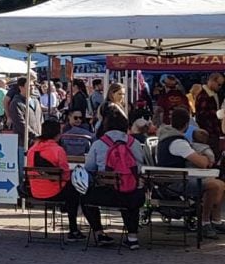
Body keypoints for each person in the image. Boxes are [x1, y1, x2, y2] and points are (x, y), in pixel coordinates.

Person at [157, 107, 225, 239]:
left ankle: (215, 220)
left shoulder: (168, 137)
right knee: (215, 185)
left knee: (220, 183)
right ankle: (205, 222)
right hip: (175, 182)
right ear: (187, 124)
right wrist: (205, 158)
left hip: (176, 178)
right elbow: (202, 163)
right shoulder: (177, 142)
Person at [83, 111, 146, 250]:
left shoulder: (98, 144)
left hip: (106, 194)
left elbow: (89, 168)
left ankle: (99, 233)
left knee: (85, 197)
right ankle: (132, 237)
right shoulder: (134, 143)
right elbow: (141, 166)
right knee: (130, 193)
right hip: (132, 195)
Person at [27, 119, 84, 240]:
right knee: (74, 191)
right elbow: (65, 175)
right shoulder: (58, 150)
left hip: (34, 192)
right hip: (54, 192)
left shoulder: (32, 150)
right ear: (58, 135)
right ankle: (73, 229)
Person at [193, 72, 224, 157]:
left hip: (213, 131)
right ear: (212, 81)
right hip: (208, 133)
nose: (220, 87)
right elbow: (203, 115)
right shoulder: (204, 96)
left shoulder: (212, 94)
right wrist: (218, 113)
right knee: (212, 156)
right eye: (219, 84)